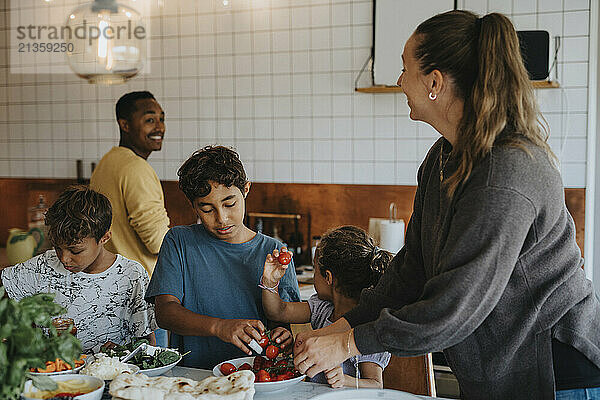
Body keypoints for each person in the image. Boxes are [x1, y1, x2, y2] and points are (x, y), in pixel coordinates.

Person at [292, 10, 600, 400]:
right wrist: (344, 324)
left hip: (555, 372)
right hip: (497, 368)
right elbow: (411, 269)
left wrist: (348, 344)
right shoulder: (442, 158)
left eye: (405, 69)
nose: (400, 81)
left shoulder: (507, 170)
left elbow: (454, 309)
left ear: (434, 82)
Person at [145, 145, 301, 369]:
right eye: (207, 209)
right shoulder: (179, 241)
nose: (222, 218)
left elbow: (281, 322)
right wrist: (219, 327)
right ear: (193, 206)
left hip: (254, 378)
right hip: (193, 378)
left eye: (230, 204)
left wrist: (282, 335)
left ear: (246, 190)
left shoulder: (274, 252)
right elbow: (165, 312)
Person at [0, 186, 157, 353]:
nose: (64, 258)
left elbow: (147, 343)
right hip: (52, 374)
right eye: (58, 248)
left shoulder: (131, 275)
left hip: (110, 375)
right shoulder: (42, 267)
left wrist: (123, 352)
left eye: (75, 250)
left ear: (104, 237)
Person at [262, 226, 392, 388]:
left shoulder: (367, 330)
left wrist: (345, 380)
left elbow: (376, 384)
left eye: (315, 269)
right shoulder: (322, 308)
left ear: (328, 277)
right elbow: (278, 312)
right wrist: (269, 283)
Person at [90, 91, 170, 276]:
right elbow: (158, 242)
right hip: (140, 284)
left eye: (162, 119)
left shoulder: (107, 161)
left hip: (112, 280)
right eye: (150, 120)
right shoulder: (136, 168)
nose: (160, 128)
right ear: (125, 125)